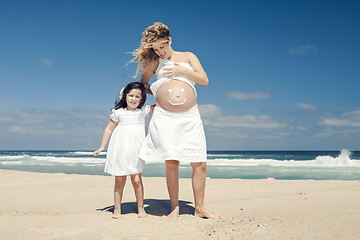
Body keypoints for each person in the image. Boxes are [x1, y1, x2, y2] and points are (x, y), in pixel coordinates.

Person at [131, 22, 219, 219]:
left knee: (199, 163)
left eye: (162, 47)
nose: (160, 52)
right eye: (156, 49)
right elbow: (142, 84)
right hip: (165, 116)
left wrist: (182, 71)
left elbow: (204, 80)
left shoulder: (188, 56)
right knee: (172, 162)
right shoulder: (155, 62)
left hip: (190, 116)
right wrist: (158, 90)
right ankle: (174, 207)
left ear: (169, 40)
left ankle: (200, 208)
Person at [94, 82, 154, 219]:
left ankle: (140, 208)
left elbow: (162, 104)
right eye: (131, 95)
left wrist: (152, 90)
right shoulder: (118, 113)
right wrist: (102, 146)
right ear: (125, 96)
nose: (134, 99)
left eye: (138, 96)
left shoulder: (143, 111)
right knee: (120, 180)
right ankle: (117, 208)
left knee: (137, 180)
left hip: (136, 151)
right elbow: (109, 128)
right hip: (120, 150)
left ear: (142, 99)